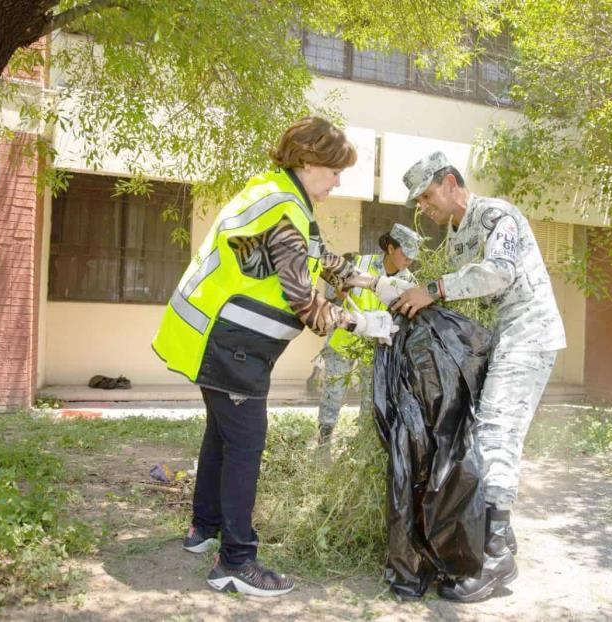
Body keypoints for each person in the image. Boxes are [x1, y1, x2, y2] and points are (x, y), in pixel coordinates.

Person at [151, 117, 399, 597]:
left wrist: (376, 283)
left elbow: (319, 256)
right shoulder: (284, 209)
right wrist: (364, 323)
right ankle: (237, 562)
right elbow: (304, 300)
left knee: (221, 436)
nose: (338, 182)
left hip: (213, 338)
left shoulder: (276, 194)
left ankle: (204, 529)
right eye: (334, 172)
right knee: (245, 446)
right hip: (230, 346)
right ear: (309, 161)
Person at [388, 151, 566, 603]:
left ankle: (493, 557)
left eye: (427, 196)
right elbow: (441, 281)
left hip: (528, 332)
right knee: (479, 431)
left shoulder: (494, 215)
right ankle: (499, 539)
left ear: (450, 182)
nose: (424, 207)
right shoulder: (454, 236)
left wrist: (433, 289)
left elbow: (497, 273)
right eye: (420, 201)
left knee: (495, 433)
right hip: (499, 340)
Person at [317, 224, 422, 443]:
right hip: (343, 342)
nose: (408, 260)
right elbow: (331, 292)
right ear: (391, 248)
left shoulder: (410, 283)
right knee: (333, 395)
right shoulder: (358, 263)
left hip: (374, 350)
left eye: (413, 257)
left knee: (369, 401)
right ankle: (323, 444)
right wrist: (338, 291)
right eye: (405, 253)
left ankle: (361, 447)